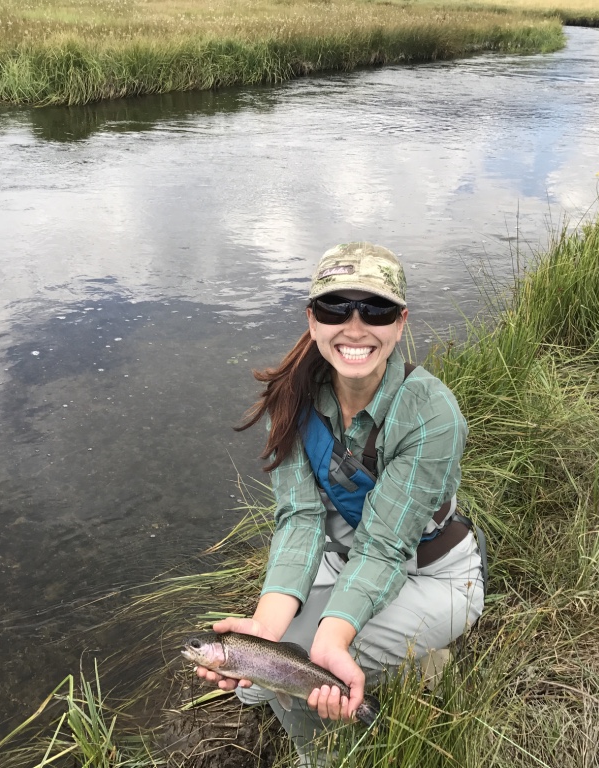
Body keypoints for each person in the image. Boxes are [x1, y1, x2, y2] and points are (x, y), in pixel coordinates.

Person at [196, 242, 485, 764]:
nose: (354, 327)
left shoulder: (430, 412)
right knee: (256, 678)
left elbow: (384, 545)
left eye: (375, 309)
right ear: (312, 320)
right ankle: (408, 663)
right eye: (335, 308)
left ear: (401, 324)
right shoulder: (292, 399)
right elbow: (300, 520)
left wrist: (330, 642)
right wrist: (264, 630)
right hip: (347, 554)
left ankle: (326, 757)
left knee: (309, 665)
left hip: (434, 572)